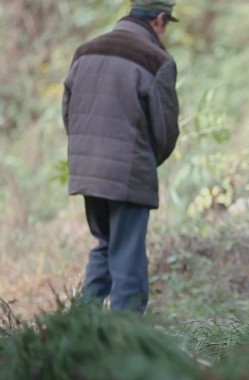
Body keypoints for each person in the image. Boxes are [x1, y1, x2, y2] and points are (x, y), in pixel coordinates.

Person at [61, 0, 180, 313]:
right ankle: (126, 338)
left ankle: (82, 326)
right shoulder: (156, 59)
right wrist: (145, 161)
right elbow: (165, 131)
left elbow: (68, 113)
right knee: (128, 252)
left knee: (105, 245)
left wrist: (85, 155)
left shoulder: (84, 52)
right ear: (159, 19)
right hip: (129, 170)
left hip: (87, 168)